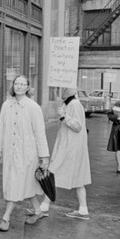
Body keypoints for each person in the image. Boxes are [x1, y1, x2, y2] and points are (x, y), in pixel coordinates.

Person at [0, 75, 49, 232]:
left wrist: (44, 156)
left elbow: (40, 133)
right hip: (11, 152)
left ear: (27, 87)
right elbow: (1, 128)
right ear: (13, 86)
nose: (19, 86)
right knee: (22, 183)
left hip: (28, 153)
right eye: (16, 83)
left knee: (17, 184)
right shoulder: (6, 106)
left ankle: (6, 217)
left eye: (23, 84)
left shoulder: (33, 107)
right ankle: (38, 211)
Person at [40, 86, 91, 220]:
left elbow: (77, 126)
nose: (62, 91)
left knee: (53, 173)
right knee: (78, 178)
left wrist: (64, 116)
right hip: (71, 146)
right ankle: (83, 209)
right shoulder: (70, 103)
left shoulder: (74, 104)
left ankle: (43, 207)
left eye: (64, 88)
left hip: (70, 147)